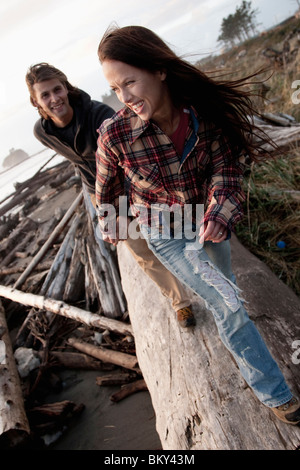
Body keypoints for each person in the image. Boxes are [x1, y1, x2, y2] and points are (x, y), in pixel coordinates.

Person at [95, 25, 300, 425]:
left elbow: (228, 167)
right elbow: (106, 196)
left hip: (205, 218)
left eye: (130, 82)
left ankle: (238, 330)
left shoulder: (203, 114)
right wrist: (113, 220)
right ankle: (273, 392)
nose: (125, 97)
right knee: (228, 304)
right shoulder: (114, 134)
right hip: (164, 233)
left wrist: (218, 213)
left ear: (159, 70)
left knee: (227, 294)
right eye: (116, 89)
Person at [25, 62, 196, 328]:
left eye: (57, 89)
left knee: (167, 235)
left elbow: (128, 155)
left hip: (130, 183)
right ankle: (180, 303)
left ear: (67, 88)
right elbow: (79, 161)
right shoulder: (42, 132)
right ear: (36, 102)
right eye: (44, 95)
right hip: (99, 193)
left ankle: (202, 276)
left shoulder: (98, 115)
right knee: (140, 250)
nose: (54, 98)